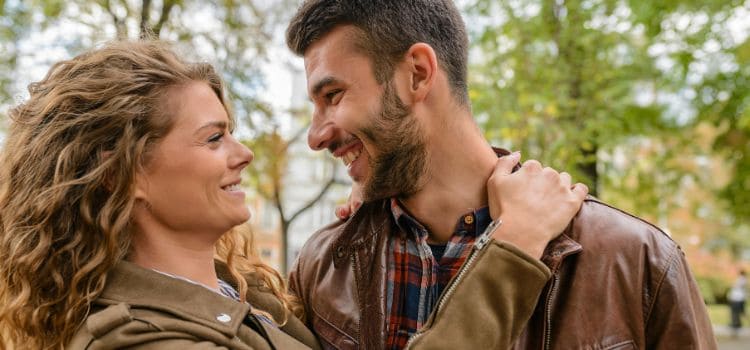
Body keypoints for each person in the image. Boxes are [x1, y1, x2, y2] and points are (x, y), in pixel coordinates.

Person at [0, 40, 583, 349]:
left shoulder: (238, 295)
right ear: (124, 176)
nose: (243, 153)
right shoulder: (139, 340)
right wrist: (512, 247)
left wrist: (380, 191)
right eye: (214, 138)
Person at [285, 0, 717, 349]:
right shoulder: (321, 269)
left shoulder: (639, 261)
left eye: (333, 95)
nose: (316, 136)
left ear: (416, 74)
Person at [728, 270, 747, 337]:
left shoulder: (742, 279)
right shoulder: (741, 279)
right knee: (737, 313)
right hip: (737, 298)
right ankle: (736, 325)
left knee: (735, 313)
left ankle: (736, 325)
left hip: (737, 299)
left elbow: (735, 286)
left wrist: (733, 285)